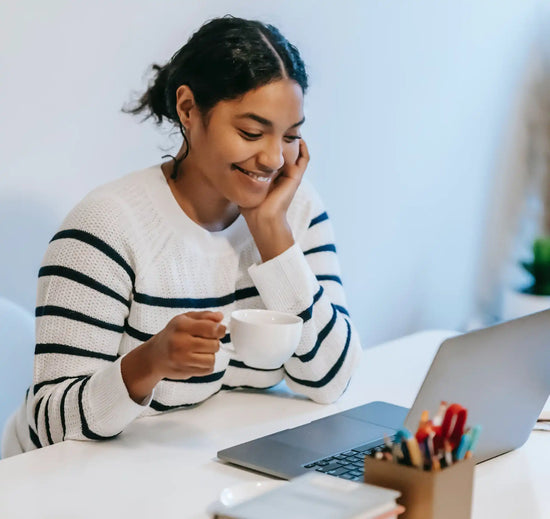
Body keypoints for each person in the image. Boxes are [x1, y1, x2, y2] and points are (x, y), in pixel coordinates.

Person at [1, 15, 361, 458]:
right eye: (251, 132)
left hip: (194, 466)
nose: (272, 158)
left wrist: (273, 236)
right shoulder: (106, 227)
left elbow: (332, 381)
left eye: (291, 136)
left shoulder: (295, 211)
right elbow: (50, 425)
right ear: (188, 109)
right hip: (62, 482)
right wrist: (147, 365)